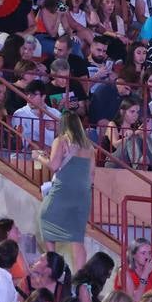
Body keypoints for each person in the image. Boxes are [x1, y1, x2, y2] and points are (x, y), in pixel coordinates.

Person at [36, 111, 94, 272]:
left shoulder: (61, 140)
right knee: (77, 238)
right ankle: (80, 278)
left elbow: (54, 166)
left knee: (45, 219)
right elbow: (92, 175)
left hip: (63, 190)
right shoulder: (89, 147)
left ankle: (52, 268)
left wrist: (39, 157)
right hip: (82, 195)